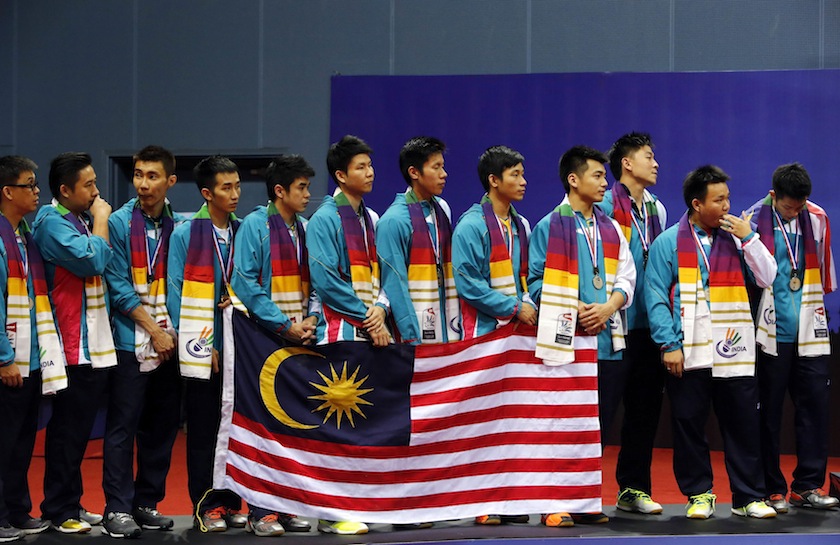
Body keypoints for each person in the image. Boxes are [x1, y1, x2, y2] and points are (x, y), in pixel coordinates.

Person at [645, 165, 778, 520]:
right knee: (689, 423)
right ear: (696, 204)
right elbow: (655, 295)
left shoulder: (738, 237)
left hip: (735, 351)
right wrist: (668, 344)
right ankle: (699, 494)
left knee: (743, 426)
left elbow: (768, 277)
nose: (727, 206)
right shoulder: (668, 243)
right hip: (690, 352)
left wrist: (750, 238)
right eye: (719, 200)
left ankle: (748, 496)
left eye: (728, 198)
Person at [529, 145, 636, 527]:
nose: (605, 182)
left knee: (598, 425)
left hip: (607, 342)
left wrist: (608, 307)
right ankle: (552, 502)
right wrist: (574, 309)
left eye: (605, 176)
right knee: (559, 422)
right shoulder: (548, 225)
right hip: (566, 343)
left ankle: (584, 498)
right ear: (573, 180)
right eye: (597, 176)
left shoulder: (609, 227)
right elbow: (535, 283)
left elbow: (627, 276)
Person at [228, 154, 322, 534]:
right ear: (279, 190)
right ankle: (259, 511)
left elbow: (318, 280)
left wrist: (312, 317)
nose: (307, 194)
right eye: (301, 187)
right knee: (263, 427)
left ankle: (286, 505)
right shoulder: (255, 225)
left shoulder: (305, 227)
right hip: (263, 341)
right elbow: (245, 283)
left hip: (301, 339)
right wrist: (284, 325)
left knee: (293, 427)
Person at [746, 163, 839, 512]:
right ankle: (771, 487)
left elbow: (824, 278)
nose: (796, 211)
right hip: (771, 331)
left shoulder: (817, 217)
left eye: (801, 205)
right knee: (768, 412)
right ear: (774, 196)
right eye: (789, 206)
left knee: (815, 408)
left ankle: (808, 486)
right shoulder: (753, 219)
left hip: (809, 330)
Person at [33, 152, 117, 533]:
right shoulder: (51, 223)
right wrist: (101, 219)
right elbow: (91, 261)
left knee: (81, 431)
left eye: (96, 182)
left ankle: (72, 502)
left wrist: (94, 220)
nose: (97, 192)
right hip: (69, 345)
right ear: (64, 190)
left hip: (93, 342)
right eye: (88, 185)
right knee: (67, 432)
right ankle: (58, 508)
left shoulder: (79, 220)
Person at [307, 135, 387, 535]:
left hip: (369, 333)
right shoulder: (325, 218)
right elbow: (326, 281)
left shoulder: (369, 219)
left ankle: (356, 502)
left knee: (363, 425)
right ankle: (331, 511)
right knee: (338, 426)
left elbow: (384, 275)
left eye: (370, 164)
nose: (369, 172)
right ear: (340, 175)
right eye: (360, 166)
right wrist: (368, 317)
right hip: (340, 335)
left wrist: (382, 310)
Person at [101, 146, 183, 538]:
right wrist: (154, 331)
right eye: (138, 175)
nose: (143, 183)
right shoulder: (118, 223)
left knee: (162, 426)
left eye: (152, 176)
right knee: (123, 426)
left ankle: (146, 502)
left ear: (170, 181)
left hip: (173, 343)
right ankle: (116, 508)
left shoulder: (179, 227)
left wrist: (172, 334)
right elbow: (116, 286)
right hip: (130, 341)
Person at [451, 145, 534, 526]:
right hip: (483, 337)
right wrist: (516, 309)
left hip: (516, 338)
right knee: (482, 422)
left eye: (522, 173)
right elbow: (468, 285)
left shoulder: (521, 224)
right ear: (493, 180)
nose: (523, 181)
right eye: (514, 175)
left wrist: (528, 305)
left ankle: (511, 499)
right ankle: (481, 501)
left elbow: (523, 279)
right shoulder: (471, 225)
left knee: (512, 420)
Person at [597, 133, 667, 514]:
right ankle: (583, 491)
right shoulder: (604, 204)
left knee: (643, 413)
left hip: (649, 329)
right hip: (613, 328)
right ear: (627, 163)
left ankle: (633, 489)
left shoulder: (657, 209)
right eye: (648, 156)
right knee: (601, 414)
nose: (655, 164)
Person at [0, 156, 67, 542]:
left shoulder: (24, 234)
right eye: (30, 184)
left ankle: (17, 510)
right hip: (8, 360)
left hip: (29, 360)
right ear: (8, 191)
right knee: (4, 442)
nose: (37, 190)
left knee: (23, 442)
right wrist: (4, 357)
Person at [377, 136, 460, 346]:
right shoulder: (393, 221)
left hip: (446, 326)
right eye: (436, 167)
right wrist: (412, 337)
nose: (444, 174)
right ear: (414, 172)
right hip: (414, 337)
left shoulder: (442, 209)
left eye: (443, 166)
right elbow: (394, 282)